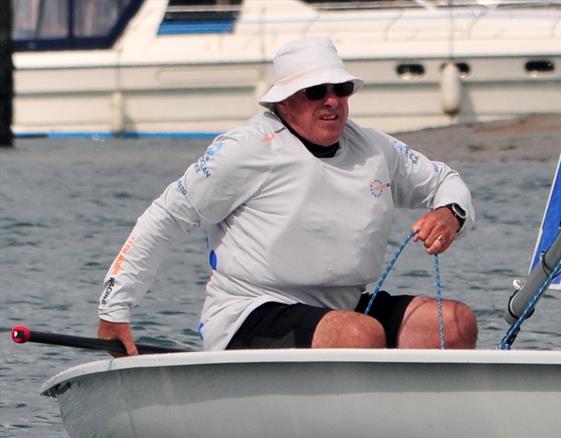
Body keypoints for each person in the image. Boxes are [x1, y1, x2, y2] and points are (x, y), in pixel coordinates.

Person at [97, 37, 477, 355]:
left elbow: (445, 180)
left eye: (340, 89)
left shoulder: (376, 148)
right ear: (283, 101)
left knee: (454, 323)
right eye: (316, 91)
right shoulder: (244, 150)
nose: (331, 101)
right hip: (250, 312)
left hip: (345, 309)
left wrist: (451, 214)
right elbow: (165, 219)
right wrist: (115, 310)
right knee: (359, 335)